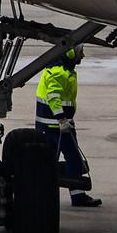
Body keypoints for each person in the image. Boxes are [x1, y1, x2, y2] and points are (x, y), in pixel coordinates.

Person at [36, 45, 101, 207]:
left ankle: (42, 194)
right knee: (73, 158)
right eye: (81, 53)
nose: (83, 56)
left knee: (48, 161)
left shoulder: (62, 70)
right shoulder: (59, 73)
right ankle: (78, 196)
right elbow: (53, 97)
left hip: (51, 126)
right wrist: (62, 120)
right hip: (57, 126)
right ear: (71, 54)